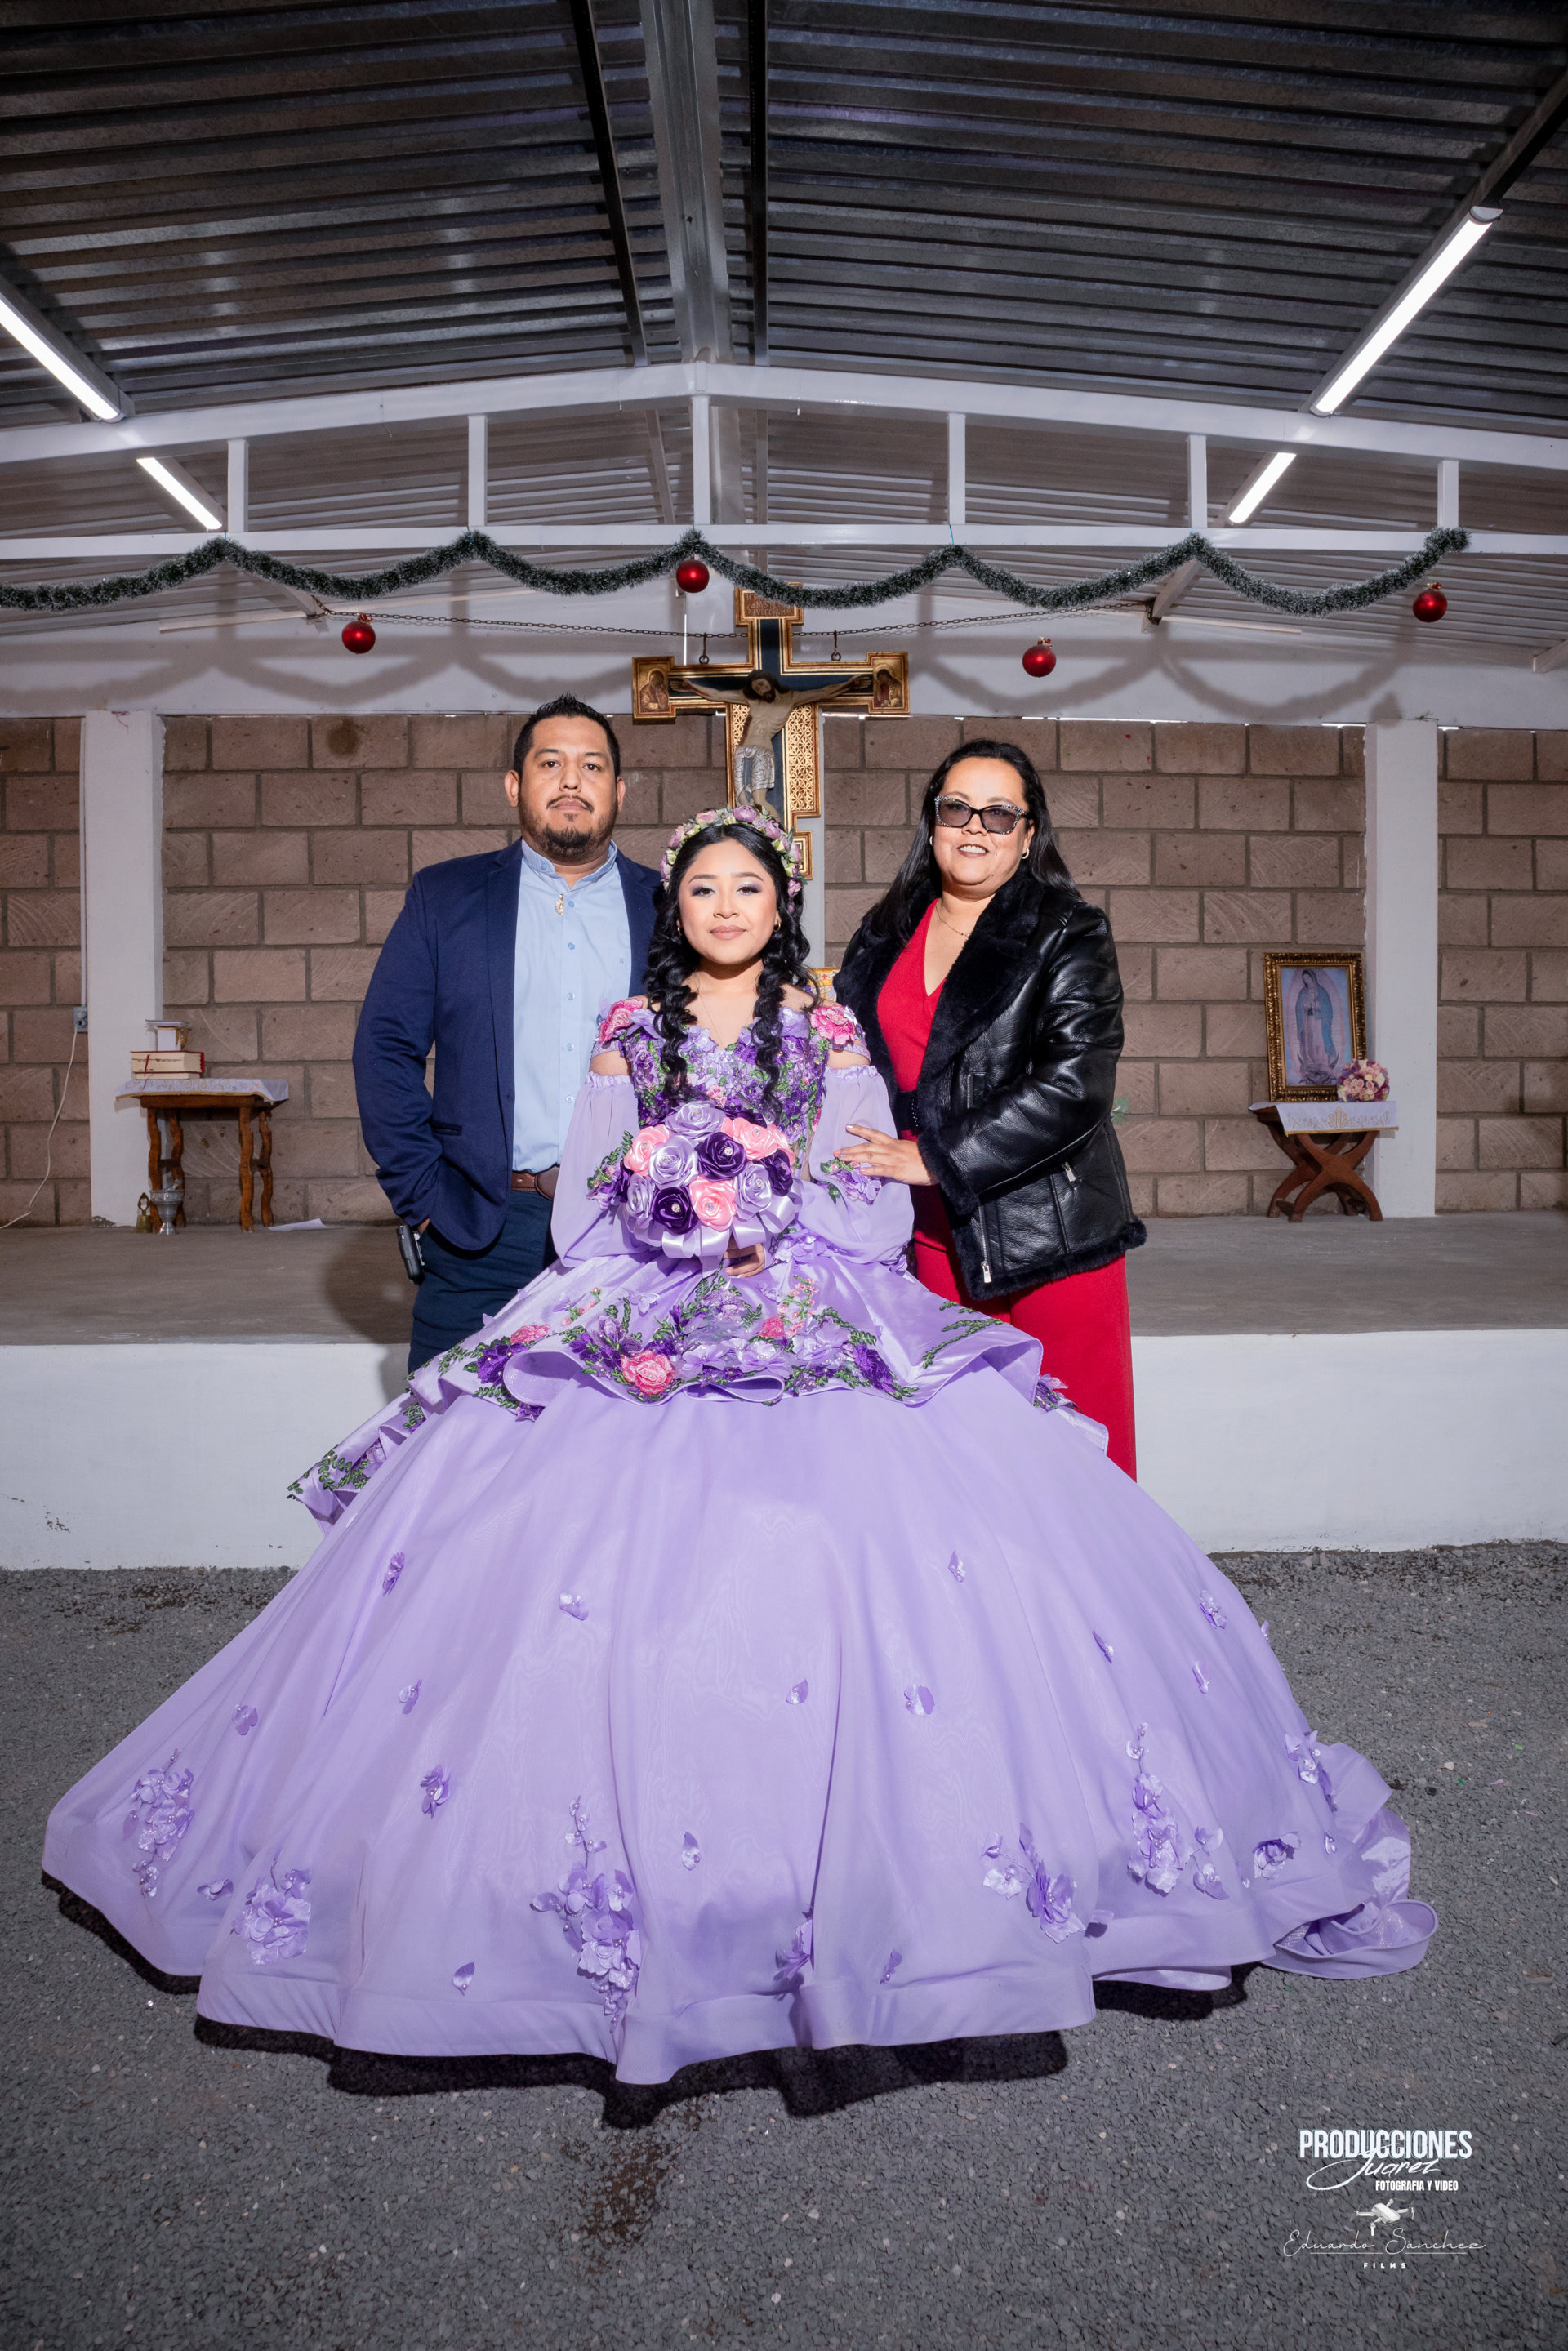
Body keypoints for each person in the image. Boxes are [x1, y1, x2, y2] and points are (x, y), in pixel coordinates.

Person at [43, 805, 1434, 2086]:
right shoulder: (628, 1030)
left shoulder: (828, 1029)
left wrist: (771, 1204)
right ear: (680, 906)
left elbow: (872, 1209)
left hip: (805, 1287)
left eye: (747, 886)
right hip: (644, 1296)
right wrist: (669, 1204)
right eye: (702, 886)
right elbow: (582, 1214)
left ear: (781, 905)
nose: (723, 903)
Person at [834, 739, 1143, 1477]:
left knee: (1077, 1458)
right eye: (958, 809)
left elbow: (1076, 1084)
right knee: (965, 1460)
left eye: (1000, 814)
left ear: (1028, 834)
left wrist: (934, 1157)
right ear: (933, 822)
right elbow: (841, 1051)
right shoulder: (886, 929)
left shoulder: (1068, 930)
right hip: (928, 1236)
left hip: (1044, 1236)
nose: (976, 827)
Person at [352, 695, 660, 1371]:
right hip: (482, 1233)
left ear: (620, 790)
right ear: (515, 785)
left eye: (592, 765)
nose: (572, 780)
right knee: (448, 1430)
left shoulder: (670, 906)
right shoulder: (445, 898)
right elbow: (384, 1048)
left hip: (634, 1233)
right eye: (551, 763)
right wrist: (425, 1198)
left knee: (620, 1433)